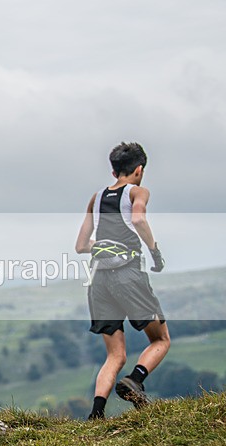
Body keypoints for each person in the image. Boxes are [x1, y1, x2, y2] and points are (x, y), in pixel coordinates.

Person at [75, 142, 171, 420]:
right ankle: (136, 380)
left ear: (113, 169)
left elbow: (81, 245)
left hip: (99, 280)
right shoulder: (138, 191)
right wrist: (155, 252)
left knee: (115, 354)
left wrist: (104, 246)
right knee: (160, 339)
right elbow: (139, 219)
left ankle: (96, 414)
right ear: (139, 169)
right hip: (128, 274)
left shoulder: (97, 197)